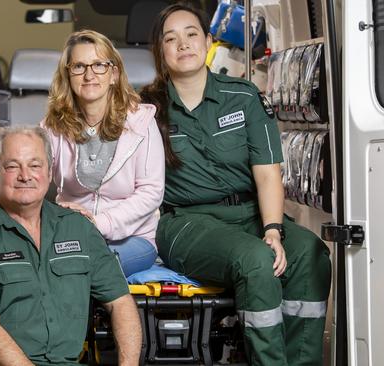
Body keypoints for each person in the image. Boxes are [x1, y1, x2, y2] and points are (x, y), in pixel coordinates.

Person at [139, 4, 331, 366]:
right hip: (187, 223)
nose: (183, 44)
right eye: (171, 38)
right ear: (160, 51)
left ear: (208, 41)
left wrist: (273, 229)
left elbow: (267, 171)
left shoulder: (243, 96)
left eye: (191, 34)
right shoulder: (147, 109)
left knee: (310, 252)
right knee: (255, 259)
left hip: (249, 213)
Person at [0, 30, 165, 277]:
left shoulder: (141, 121)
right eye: (79, 66)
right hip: (70, 233)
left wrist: (100, 223)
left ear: (113, 74)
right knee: (42, 266)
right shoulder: (53, 126)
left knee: (85, 268)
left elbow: (151, 192)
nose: (89, 75)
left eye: (99, 65)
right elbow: (30, 169)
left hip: (132, 238)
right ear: (68, 75)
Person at [0, 126, 141, 365]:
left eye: (35, 165)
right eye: (12, 166)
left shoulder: (78, 228)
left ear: (49, 173)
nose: (25, 175)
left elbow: (120, 302)